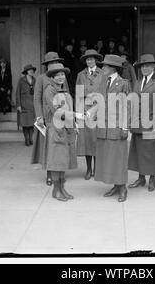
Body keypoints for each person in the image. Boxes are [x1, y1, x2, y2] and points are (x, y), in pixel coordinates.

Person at [86, 55, 131, 202]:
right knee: (109, 158)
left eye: (105, 66)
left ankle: (122, 187)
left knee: (119, 158)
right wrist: (90, 113)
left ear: (113, 68)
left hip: (117, 127)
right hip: (104, 127)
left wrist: (125, 127)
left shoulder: (123, 83)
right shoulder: (102, 82)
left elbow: (127, 107)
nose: (102, 68)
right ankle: (116, 185)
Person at [43, 62, 83, 201]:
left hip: (65, 128)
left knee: (62, 160)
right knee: (56, 160)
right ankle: (56, 190)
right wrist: (76, 116)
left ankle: (61, 188)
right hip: (56, 129)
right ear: (52, 77)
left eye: (62, 74)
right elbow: (57, 111)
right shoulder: (50, 90)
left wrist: (73, 124)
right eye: (57, 75)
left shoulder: (62, 89)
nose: (60, 77)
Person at [128, 54, 155, 192]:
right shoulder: (138, 82)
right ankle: (141, 178)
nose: (145, 68)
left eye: (147, 66)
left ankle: (152, 179)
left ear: (154, 67)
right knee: (139, 151)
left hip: (151, 122)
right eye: (142, 66)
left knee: (151, 152)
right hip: (138, 123)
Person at [32, 52, 67, 186]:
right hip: (47, 117)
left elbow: (67, 94)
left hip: (61, 115)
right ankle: (49, 174)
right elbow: (37, 98)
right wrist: (39, 116)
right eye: (51, 63)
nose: (54, 65)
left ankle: (61, 174)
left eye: (56, 62)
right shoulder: (41, 78)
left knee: (61, 147)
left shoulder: (62, 76)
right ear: (47, 65)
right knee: (49, 148)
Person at [75, 49, 104, 180]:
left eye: (91, 59)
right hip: (86, 110)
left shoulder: (103, 74)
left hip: (98, 109)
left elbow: (105, 93)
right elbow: (78, 94)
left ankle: (98, 169)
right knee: (87, 141)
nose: (89, 61)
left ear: (96, 60)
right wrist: (79, 113)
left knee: (96, 140)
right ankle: (88, 169)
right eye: (87, 59)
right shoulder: (81, 75)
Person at [16, 64, 37, 146]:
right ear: (26, 72)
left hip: (32, 105)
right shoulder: (21, 80)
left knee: (31, 124)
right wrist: (18, 105)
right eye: (29, 70)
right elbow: (17, 93)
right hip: (24, 105)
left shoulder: (35, 80)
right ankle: (27, 140)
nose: (31, 71)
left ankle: (31, 139)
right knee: (25, 124)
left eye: (32, 70)